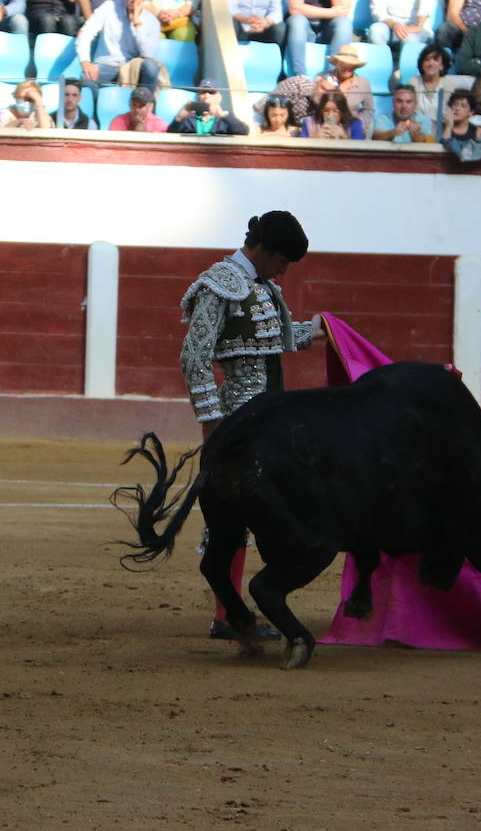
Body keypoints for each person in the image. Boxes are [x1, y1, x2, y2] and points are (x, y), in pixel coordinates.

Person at [178, 211, 324, 640]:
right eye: (283, 260)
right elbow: (195, 357)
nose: (285, 269)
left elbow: (269, 341)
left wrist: (315, 332)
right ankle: (227, 616)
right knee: (235, 516)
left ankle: (247, 606)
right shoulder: (219, 283)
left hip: (270, 414)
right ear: (264, 250)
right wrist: (211, 421)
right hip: (240, 420)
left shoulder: (261, 285)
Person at [77, 0, 160, 89]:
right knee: (86, 77)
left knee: (151, 67)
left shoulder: (152, 20)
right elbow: (86, 33)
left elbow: (148, 54)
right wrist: (85, 61)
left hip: (132, 69)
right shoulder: (108, 8)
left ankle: (146, 105)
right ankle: (97, 106)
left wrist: (137, 23)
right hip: (106, 66)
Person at [251, 69, 338, 127]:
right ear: (316, 84)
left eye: (329, 92)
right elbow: (262, 107)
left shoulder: (329, 103)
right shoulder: (296, 87)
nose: (323, 94)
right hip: (262, 117)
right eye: (322, 88)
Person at [170, 77, 250, 135]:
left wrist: (223, 115)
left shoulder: (225, 119)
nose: (206, 95)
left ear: (219, 97)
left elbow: (243, 132)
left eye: (211, 92)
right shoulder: (188, 119)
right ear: (198, 96)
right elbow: (170, 135)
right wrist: (178, 118)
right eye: (203, 92)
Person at [324, 42, 373, 126]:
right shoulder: (323, 78)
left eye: (351, 64)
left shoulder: (363, 83)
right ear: (336, 63)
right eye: (343, 63)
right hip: (326, 124)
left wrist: (359, 122)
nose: (347, 67)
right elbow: (316, 104)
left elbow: (369, 109)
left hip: (352, 126)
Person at [439, 88, 481, 158]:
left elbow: (480, 151)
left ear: (471, 112)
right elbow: (444, 148)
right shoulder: (441, 127)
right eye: (455, 104)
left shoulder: (477, 131)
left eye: (463, 106)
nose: (457, 108)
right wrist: (448, 127)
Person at [405, 42, 449, 131]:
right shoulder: (414, 81)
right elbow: (410, 111)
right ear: (422, 64)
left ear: (442, 66)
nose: (430, 63)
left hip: (442, 130)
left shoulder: (448, 83)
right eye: (427, 59)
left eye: (435, 60)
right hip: (418, 130)